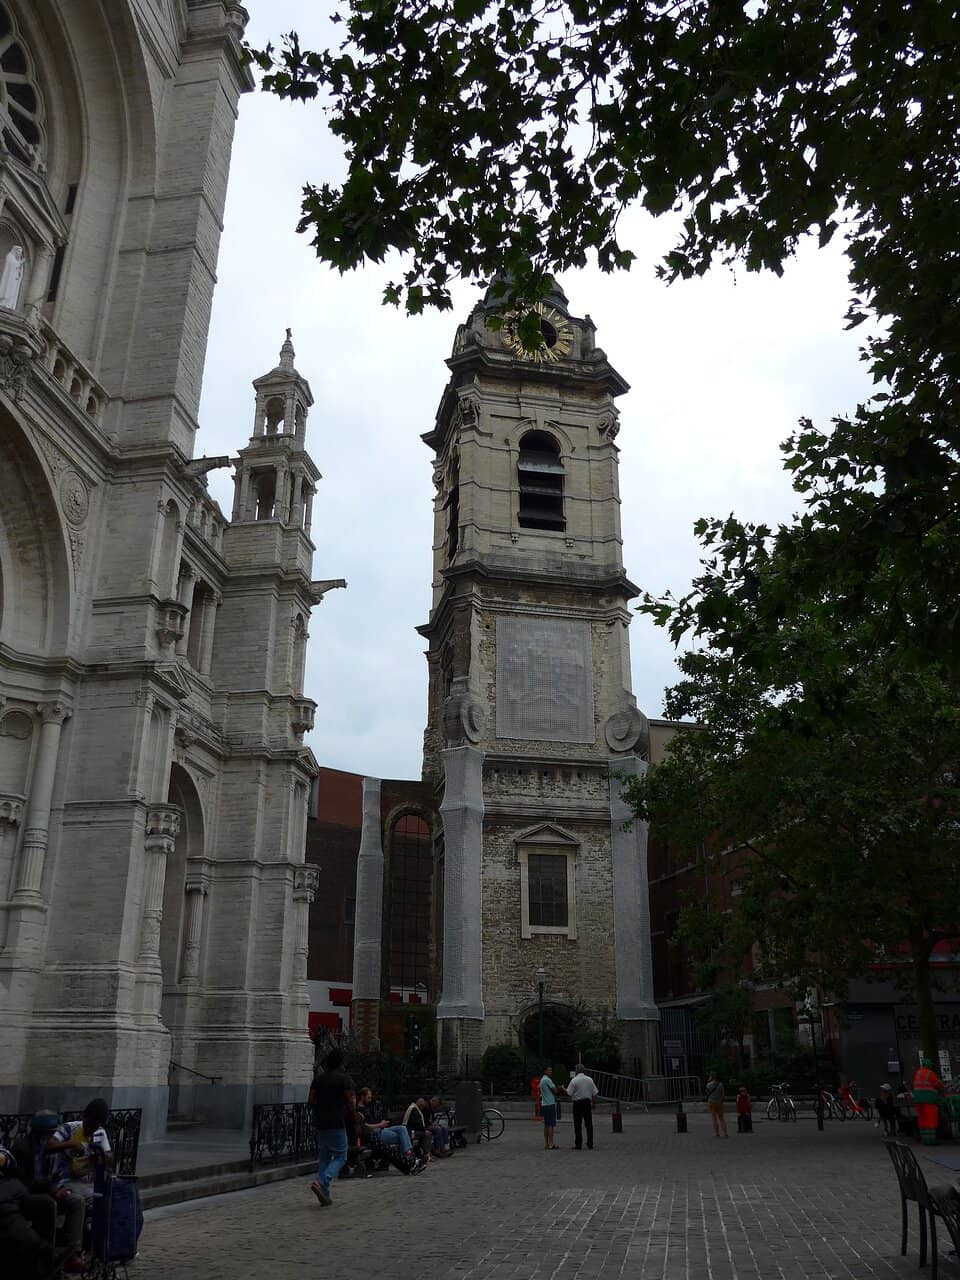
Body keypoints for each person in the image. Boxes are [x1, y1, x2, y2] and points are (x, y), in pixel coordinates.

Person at [9, 1112, 85, 1268]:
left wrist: (57, 1186)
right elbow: (23, 1184)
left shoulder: (51, 1148)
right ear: (40, 1133)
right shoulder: (23, 1148)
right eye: (50, 1134)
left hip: (48, 1189)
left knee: (76, 1201)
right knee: (49, 1204)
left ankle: (70, 1254)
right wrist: (50, 1186)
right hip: (28, 1196)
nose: (52, 1137)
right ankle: (47, 1257)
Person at [46, 1099, 113, 1270]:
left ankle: (100, 1248)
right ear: (84, 1116)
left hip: (86, 1182)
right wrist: (71, 1144)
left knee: (106, 1200)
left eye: (95, 1125)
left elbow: (109, 1157)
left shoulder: (99, 1132)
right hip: (64, 1180)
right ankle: (73, 1254)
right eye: (90, 1124)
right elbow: (50, 1145)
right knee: (85, 1200)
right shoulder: (69, 1128)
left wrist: (101, 1157)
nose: (91, 1129)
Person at [0, 1145, 70, 1280]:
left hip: (10, 1188)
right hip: (6, 1196)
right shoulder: (24, 1144)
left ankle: (42, 1265)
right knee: (5, 1208)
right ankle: (45, 1254)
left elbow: (9, 1158)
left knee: (45, 1203)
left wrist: (3, 1158)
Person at [308, 1047, 356, 1206]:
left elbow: (310, 1099)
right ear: (341, 1063)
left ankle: (325, 1194)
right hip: (337, 1121)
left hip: (321, 1122)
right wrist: (352, 1111)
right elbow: (350, 1102)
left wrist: (320, 1106)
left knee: (324, 1157)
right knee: (341, 1156)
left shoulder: (319, 1079)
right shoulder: (344, 1079)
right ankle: (323, 1181)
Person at [355, 1088, 424, 1173]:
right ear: (362, 1097)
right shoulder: (358, 1110)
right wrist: (380, 1125)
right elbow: (364, 1126)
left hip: (380, 1129)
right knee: (403, 1137)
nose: (370, 1100)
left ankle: (410, 1159)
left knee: (402, 1128)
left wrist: (381, 1123)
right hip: (374, 1133)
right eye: (368, 1097)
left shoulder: (366, 1107)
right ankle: (411, 1159)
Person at [912, 1056, 945, 1146]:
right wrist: (942, 1084)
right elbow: (938, 1085)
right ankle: (931, 1140)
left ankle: (924, 1139)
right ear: (929, 1065)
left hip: (918, 1100)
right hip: (928, 1099)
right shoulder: (929, 1073)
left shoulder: (918, 1073)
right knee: (930, 1119)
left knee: (922, 1119)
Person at [567, 1065, 599, 1150]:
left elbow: (569, 1093)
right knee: (588, 1124)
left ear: (576, 1071)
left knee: (577, 1124)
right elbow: (595, 1093)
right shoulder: (590, 1079)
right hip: (587, 1103)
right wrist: (594, 1103)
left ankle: (578, 1144)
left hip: (577, 1104)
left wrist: (563, 1089)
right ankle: (590, 1143)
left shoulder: (574, 1080)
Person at [539, 1067, 560, 1150]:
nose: (551, 1071)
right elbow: (555, 1091)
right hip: (550, 1104)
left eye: (551, 1070)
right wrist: (560, 1087)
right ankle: (551, 1143)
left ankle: (546, 1143)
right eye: (549, 1070)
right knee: (551, 1124)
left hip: (544, 1104)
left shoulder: (542, 1080)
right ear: (545, 1071)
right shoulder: (547, 1080)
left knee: (546, 1124)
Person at [705, 1072, 728, 1137]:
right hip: (719, 1102)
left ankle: (716, 1133)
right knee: (721, 1118)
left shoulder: (708, 1085)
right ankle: (725, 1132)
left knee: (714, 1118)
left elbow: (707, 1094)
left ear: (711, 1077)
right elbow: (723, 1095)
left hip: (711, 1102)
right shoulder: (720, 1084)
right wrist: (721, 1100)